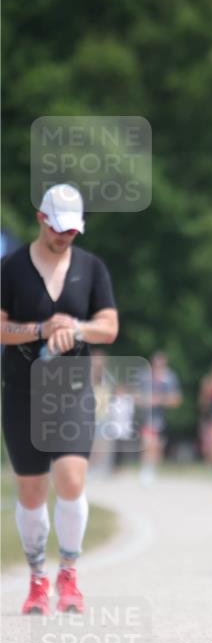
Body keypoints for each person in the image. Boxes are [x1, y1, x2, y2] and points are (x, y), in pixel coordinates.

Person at [1, 185, 118, 614]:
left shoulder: (91, 268)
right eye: (58, 228)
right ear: (40, 219)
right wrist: (40, 330)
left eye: (72, 230)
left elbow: (109, 327)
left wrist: (77, 328)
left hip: (71, 392)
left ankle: (68, 573)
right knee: (32, 490)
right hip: (22, 392)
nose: (65, 237)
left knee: (71, 480)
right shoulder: (11, 268)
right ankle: (36, 579)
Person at [138, 350, 182, 484]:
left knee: (156, 446)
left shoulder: (170, 377)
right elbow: (135, 395)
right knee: (147, 442)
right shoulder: (144, 376)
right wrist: (146, 400)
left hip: (162, 416)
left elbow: (176, 399)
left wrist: (160, 400)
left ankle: (151, 469)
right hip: (146, 415)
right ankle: (146, 470)